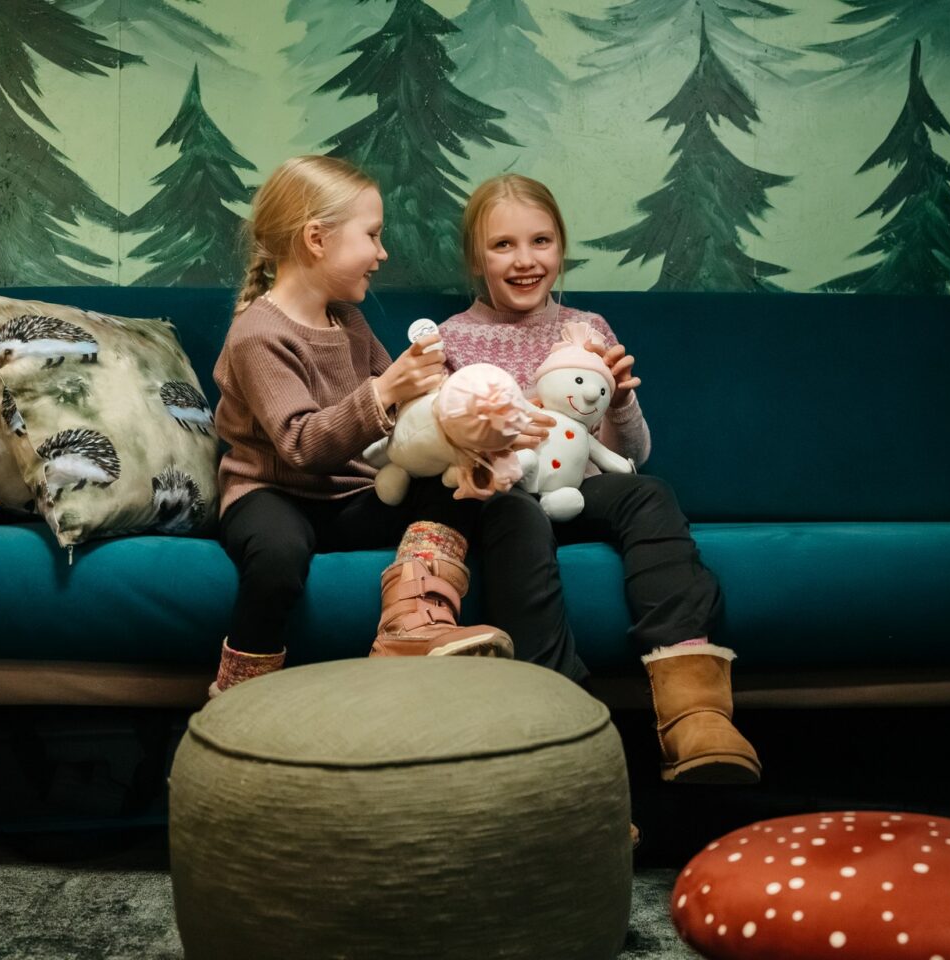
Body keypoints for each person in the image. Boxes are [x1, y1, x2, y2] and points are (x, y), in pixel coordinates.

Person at [438, 173, 761, 784]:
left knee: (649, 492)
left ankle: (694, 707)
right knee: (515, 512)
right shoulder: (454, 338)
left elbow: (633, 454)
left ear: (561, 247)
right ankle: (561, 731)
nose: (526, 260)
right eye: (503, 245)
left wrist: (619, 404)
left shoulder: (587, 327)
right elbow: (449, 447)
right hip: (509, 494)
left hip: (582, 485)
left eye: (541, 241)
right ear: (476, 259)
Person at [209, 156, 533, 696]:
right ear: (317, 238)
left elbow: (412, 412)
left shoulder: (349, 320)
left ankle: (411, 623)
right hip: (271, 492)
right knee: (277, 558)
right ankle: (239, 693)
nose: (382, 254)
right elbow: (302, 445)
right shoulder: (258, 334)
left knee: (460, 493)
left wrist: (473, 420)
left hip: (351, 495)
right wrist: (386, 391)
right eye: (373, 235)